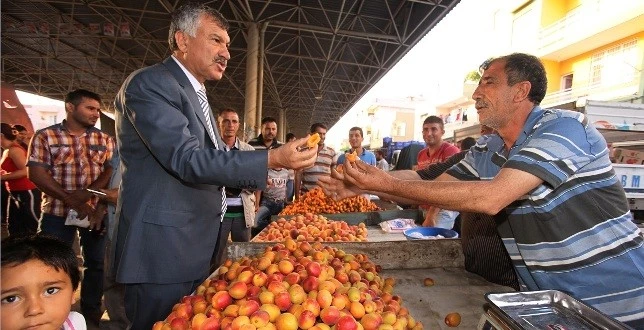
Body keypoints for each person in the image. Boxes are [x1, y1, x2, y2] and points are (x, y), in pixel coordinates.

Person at [320, 53, 644, 327]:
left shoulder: (564, 128)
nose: (476, 92)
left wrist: (384, 183)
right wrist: (367, 182)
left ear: (521, 91)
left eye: (488, 81)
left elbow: (492, 198)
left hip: (620, 306)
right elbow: (432, 188)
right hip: (551, 308)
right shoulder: (490, 148)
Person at [111, 3, 317, 328]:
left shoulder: (197, 95)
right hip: (163, 253)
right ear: (182, 40)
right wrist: (272, 158)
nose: (227, 53)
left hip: (195, 246)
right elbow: (187, 159)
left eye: (228, 45)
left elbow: (214, 164)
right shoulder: (150, 85)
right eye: (216, 41)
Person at [27, 89, 114, 326]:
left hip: (94, 213)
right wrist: (70, 199)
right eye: (90, 108)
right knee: (51, 265)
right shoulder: (45, 137)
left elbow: (110, 171)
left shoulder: (104, 139)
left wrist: (90, 198)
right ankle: (52, 315)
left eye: (98, 109)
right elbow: (36, 174)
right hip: (56, 212)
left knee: (96, 264)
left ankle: (90, 314)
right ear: (70, 107)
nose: (96, 114)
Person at [1, 234, 86, 330]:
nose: (34, 310)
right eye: (10, 298)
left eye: (51, 290)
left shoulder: (76, 323)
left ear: (73, 292)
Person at [211, 108, 258, 270]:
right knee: (215, 255)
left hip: (242, 213)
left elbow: (255, 182)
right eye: (226, 121)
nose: (230, 125)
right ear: (219, 124)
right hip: (218, 213)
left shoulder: (248, 151)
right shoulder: (212, 150)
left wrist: (234, 182)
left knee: (244, 256)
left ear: (239, 125)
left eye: (234, 121)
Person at [415, 116, 460, 229]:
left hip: (443, 208)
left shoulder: (451, 151)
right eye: (425, 129)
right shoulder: (421, 154)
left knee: (432, 242)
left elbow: (447, 185)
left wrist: (431, 215)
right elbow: (417, 179)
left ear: (442, 132)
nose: (429, 133)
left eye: (434, 129)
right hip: (424, 206)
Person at [1, 123, 41, 237]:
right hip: (14, 192)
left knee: (34, 223)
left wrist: (2, 177)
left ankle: (46, 251)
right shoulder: (7, 151)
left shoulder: (15, 150)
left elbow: (25, 171)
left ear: (1, 136)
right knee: (14, 226)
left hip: (27, 191)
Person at [295, 123, 337, 199]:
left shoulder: (331, 152)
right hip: (306, 196)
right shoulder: (303, 152)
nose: (322, 137)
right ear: (312, 134)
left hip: (325, 196)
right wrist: (297, 196)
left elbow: (334, 175)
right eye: (319, 134)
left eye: (324, 134)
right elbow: (298, 174)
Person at [285, 133, 297, 202]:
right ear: (290, 140)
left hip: (290, 177)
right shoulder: (286, 150)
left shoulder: (293, 150)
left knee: (288, 197)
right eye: (294, 140)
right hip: (287, 177)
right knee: (288, 198)